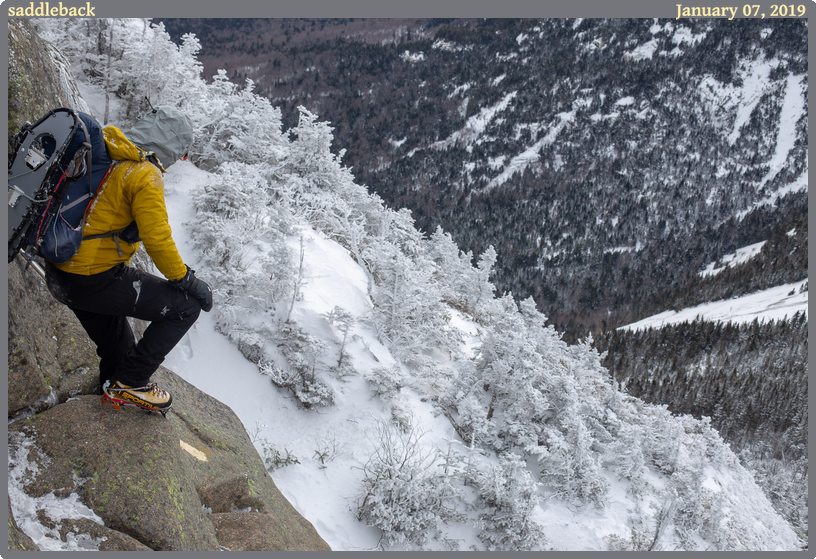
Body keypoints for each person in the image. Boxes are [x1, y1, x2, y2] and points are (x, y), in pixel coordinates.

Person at [44, 106, 212, 414]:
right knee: (185, 308)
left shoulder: (106, 150)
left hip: (59, 272)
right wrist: (187, 280)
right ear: (171, 146)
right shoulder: (144, 173)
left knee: (119, 350)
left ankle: (113, 390)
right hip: (91, 277)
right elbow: (157, 238)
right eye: (182, 154)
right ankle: (129, 384)